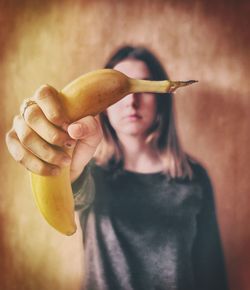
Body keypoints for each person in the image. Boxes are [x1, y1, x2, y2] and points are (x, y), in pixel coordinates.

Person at [6, 45, 229, 290]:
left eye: (143, 86)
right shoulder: (91, 171)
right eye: (119, 93)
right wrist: (65, 167)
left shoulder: (194, 176)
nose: (131, 100)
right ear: (103, 103)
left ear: (160, 103)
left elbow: (212, 271)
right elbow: (76, 192)